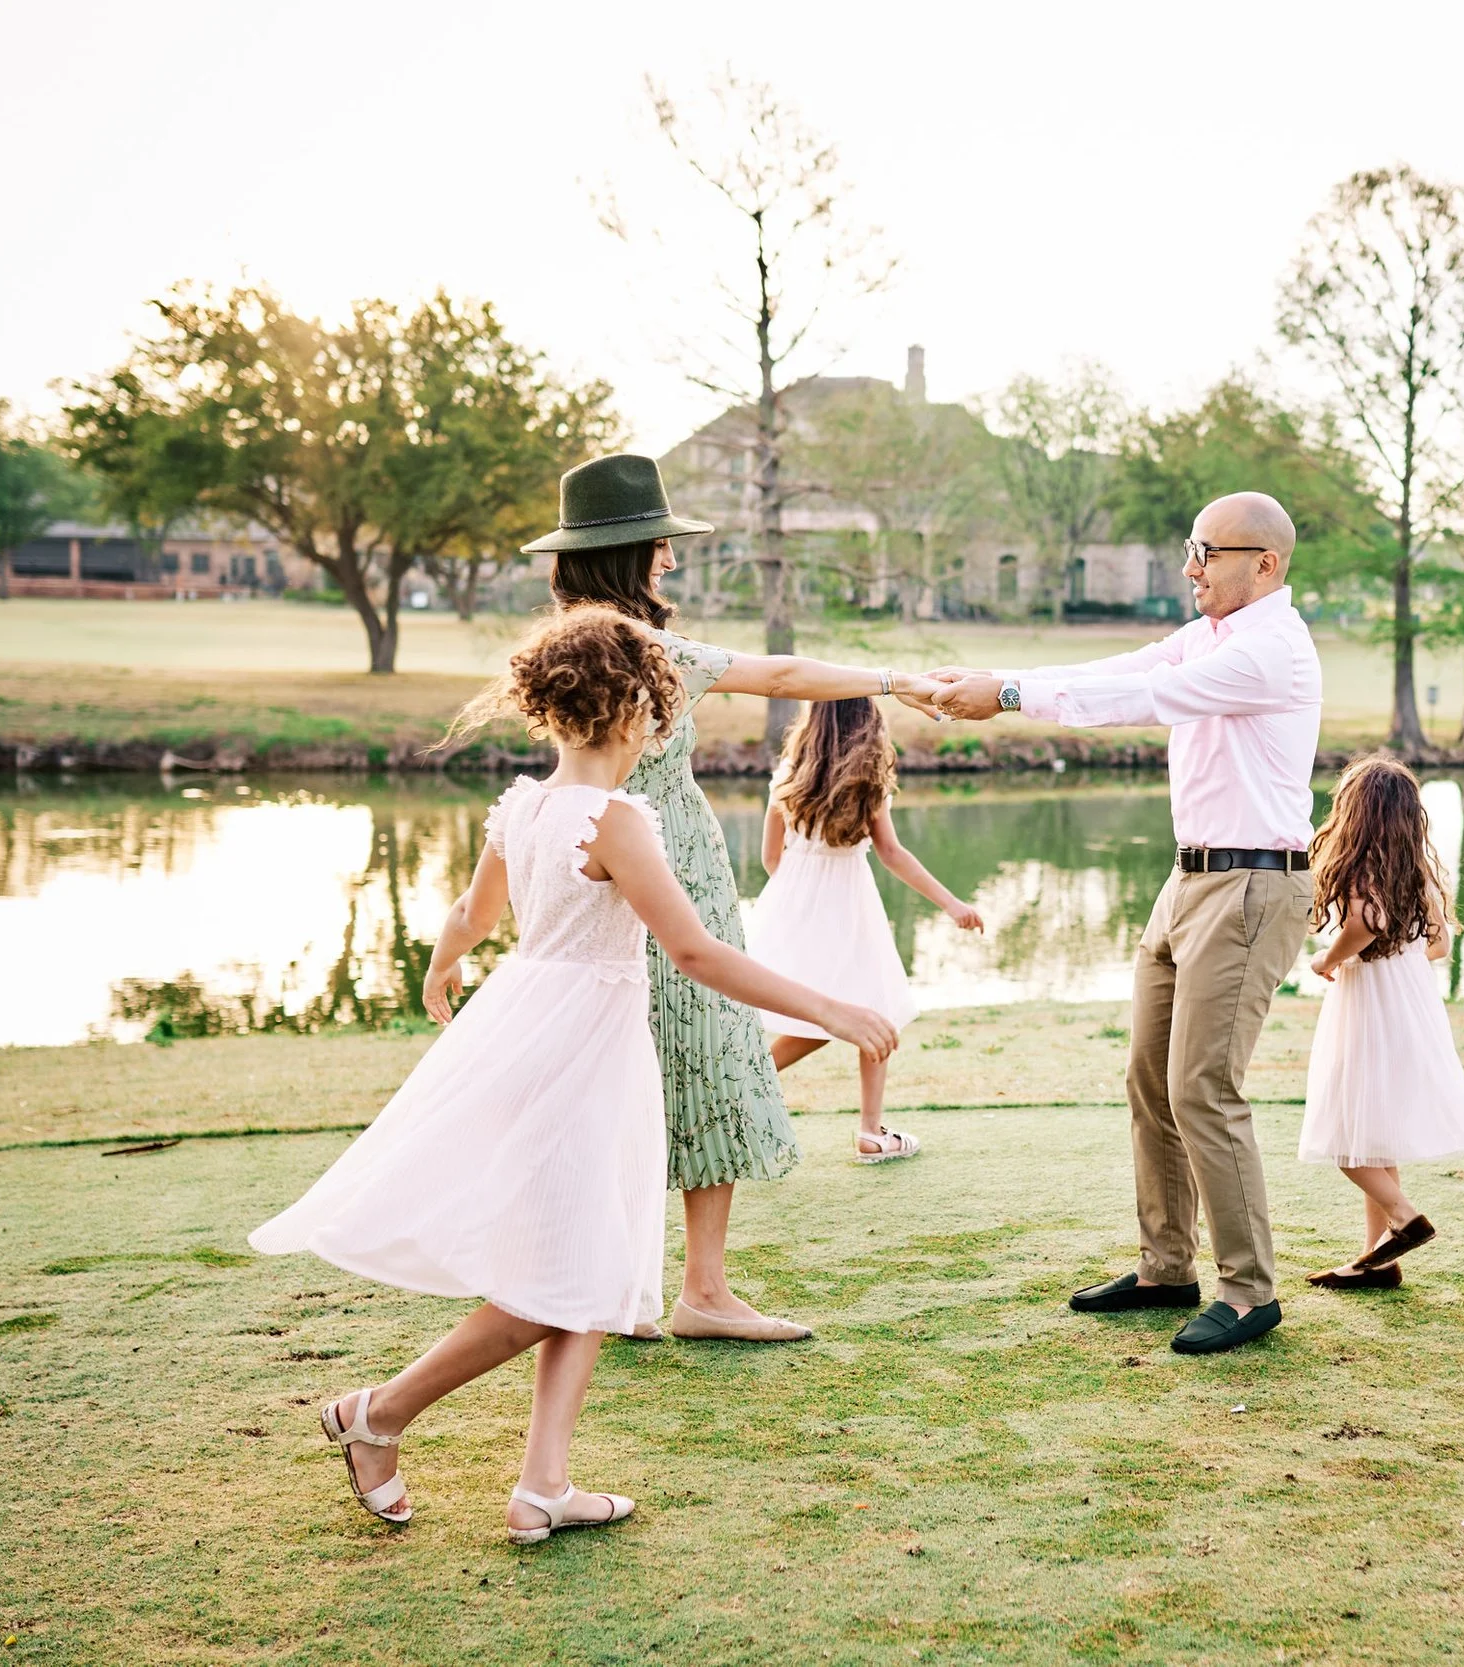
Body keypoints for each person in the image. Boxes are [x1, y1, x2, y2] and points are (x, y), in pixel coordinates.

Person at [249, 608, 899, 1539]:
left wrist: (443, 963)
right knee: (557, 1272)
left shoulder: (524, 805)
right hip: (580, 1047)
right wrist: (830, 1007)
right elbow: (697, 951)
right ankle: (378, 1413)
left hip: (532, 1028)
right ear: (633, 709)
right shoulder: (618, 818)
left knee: (592, 1257)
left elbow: (476, 912)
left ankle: (542, 1484)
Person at [523, 453, 944, 1342]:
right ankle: (701, 1293)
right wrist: (893, 680)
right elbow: (785, 677)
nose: (671, 561)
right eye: (660, 546)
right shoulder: (647, 648)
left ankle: (618, 1290)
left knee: (624, 1066)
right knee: (707, 1055)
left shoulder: (569, 649)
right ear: (628, 556)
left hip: (588, 865)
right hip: (664, 867)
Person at [930, 491, 1319, 1355]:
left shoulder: (1270, 652)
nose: (1190, 567)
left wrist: (1007, 694)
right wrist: (995, 681)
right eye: (1191, 547)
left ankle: (1250, 1291)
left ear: (1266, 564)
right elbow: (1128, 666)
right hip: (1187, 881)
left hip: (1253, 888)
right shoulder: (1214, 632)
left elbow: (1150, 697)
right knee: (1150, 1078)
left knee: (1203, 1089)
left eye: (1207, 553)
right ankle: (1166, 1265)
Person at [1298, 755, 1464, 1289]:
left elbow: (1365, 924)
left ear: (1357, 812)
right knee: (1374, 1134)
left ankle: (1406, 1219)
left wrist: (1327, 960)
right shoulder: (1414, 868)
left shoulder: (1363, 865)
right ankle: (1376, 1259)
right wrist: (1396, 952)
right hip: (1409, 1005)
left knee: (1346, 1137)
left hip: (1369, 1006)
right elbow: (1438, 944)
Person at [747, 696, 985, 1162]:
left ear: (814, 721)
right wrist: (952, 904)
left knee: (823, 1014)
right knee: (873, 1011)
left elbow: (770, 858)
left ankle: (747, 1084)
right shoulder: (867, 782)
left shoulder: (788, 776)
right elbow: (893, 854)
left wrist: (798, 900)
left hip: (790, 903)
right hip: (848, 903)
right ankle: (870, 1132)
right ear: (866, 724)